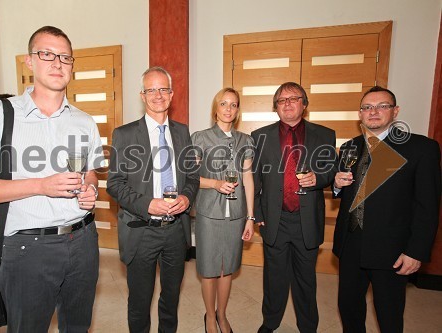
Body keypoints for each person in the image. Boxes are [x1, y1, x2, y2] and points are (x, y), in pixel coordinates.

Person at [0, 26, 104, 332]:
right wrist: (40, 185)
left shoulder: (84, 122)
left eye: (65, 57)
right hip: (27, 247)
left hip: (84, 241)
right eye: (47, 54)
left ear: (73, 65)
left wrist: (90, 189)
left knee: (78, 327)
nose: (57, 63)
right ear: (29, 62)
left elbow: (90, 173)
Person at [332, 86, 441, 333]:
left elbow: (428, 207)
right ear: (360, 113)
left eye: (382, 106)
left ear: (395, 111)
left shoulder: (421, 148)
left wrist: (416, 252)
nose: (374, 112)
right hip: (351, 245)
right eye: (367, 107)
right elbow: (348, 193)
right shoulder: (350, 147)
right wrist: (337, 185)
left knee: (389, 315)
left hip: (392, 251)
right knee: (348, 307)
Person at [107, 66, 199, 333]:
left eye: (163, 89)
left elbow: (192, 177)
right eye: (151, 90)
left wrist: (186, 197)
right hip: (141, 230)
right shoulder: (124, 135)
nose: (158, 95)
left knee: (170, 299)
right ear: (142, 95)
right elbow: (115, 184)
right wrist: (147, 204)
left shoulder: (182, 132)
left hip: (175, 231)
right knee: (139, 301)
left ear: (171, 94)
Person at [252, 82, 337, 333]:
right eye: (281, 100)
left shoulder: (325, 134)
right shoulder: (260, 137)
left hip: (306, 219)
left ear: (305, 104)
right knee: (273, 279)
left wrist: (318, 178)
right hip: (274, 219)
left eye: (294, 98)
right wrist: (257, 214)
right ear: (276, 107)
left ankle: (308, 327)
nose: (287, 103)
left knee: (306, 280)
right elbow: (254, 178)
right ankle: (270, 323)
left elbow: (331, 170)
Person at [191, 87, 255, 333]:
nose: (229, 109)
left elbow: (248, 178)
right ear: (215, 108)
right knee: (209, 269)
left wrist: (250, 217)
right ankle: (209, 316)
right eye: (224, 104)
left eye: (234, 104)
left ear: (238, 110)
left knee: (228, 267)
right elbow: (190, 177)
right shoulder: (200, 138)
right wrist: (215, 183)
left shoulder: (246, 140)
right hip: (208, 213)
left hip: (237, 214)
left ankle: (222, 314)